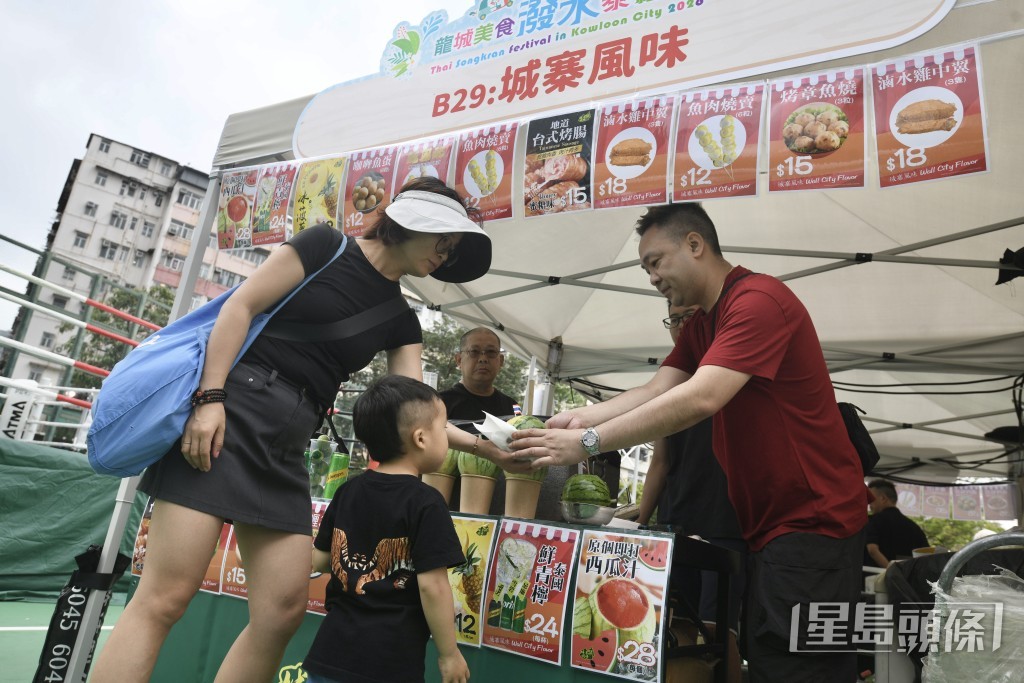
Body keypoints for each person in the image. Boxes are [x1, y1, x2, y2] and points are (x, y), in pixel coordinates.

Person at [92, 177, 493, 682]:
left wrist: (490, 450)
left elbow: (419, 415)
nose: (446, 255)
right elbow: (241, 306)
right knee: (165, 598)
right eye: (445, 240)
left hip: (290, 442)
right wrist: (210, 398)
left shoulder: (402, 319)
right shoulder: (326, 244)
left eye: (453, 248)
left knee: (281, 613)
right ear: (413, 222)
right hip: (230, 414)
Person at [509, 203, 868, 682]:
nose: (652, 277)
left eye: (656, 261)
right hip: (770, 525)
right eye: (645, 268)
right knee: (768, 657)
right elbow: (658, 389)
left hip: (813, 522)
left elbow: (701, 397)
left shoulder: (758, 300)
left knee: (796, 668)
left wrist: (588, 443)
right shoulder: (703, 323)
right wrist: (573, 419)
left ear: (695, 244)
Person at [302, 375, 469, 683]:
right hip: (388, 664)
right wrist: (449, 654)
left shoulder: (348, 491)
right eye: (443, 429)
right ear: (421, 438)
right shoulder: (426, 503)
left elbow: (322, 560)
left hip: (328, 655)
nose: (446, 437)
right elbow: (433, 587)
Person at [637, 303, 746, 663]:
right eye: (675, 318)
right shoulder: (669, 381)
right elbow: (660, 461)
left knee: (720, 631)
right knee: (677, 628)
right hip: (675, 524)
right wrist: (641, 522)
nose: (682, 326)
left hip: (727, 525)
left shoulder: (732, 368)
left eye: (691, 316)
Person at [865, 479, 928, 568]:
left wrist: (891, 572)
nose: (869, 504)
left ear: (883, 498)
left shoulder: (873, 521)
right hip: (907, 579)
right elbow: (925, 557)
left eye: (870, 499)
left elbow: (872, 549)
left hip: (874, 578)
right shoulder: (914, 527)